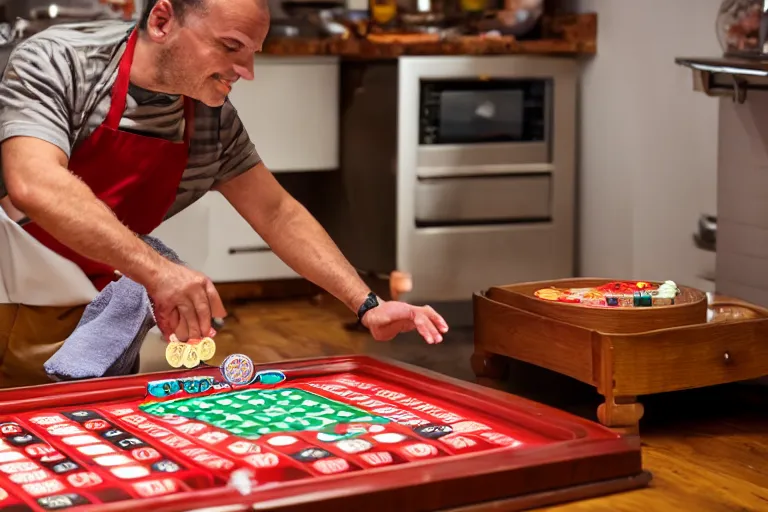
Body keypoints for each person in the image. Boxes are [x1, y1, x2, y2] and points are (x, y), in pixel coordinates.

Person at [0, 0, 448, 387]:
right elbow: (35, 184)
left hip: (93, 317)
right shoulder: (61, 62)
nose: (246, 72)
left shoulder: (211, 121)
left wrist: (366, 304)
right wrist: (160, 272)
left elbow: (277, 213)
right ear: (161, 22)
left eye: (253, 54)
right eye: (230, 46)